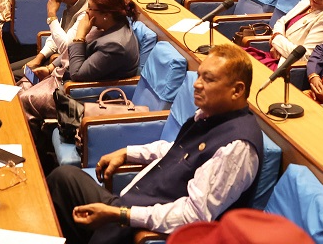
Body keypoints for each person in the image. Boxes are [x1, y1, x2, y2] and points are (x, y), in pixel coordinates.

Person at [47, 42, 262, 244]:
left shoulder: (237, 148)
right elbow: (178, 149)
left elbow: (193, 216)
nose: (196, 84)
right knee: (63, 179)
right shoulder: (209, 115)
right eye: (198, 76)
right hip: (129, 205)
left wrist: (121, 214)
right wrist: (127, 153)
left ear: (237, 90)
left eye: (209, 79)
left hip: (143, 228)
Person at [19, 0, 141, 120]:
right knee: (23, 84)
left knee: (24, 100)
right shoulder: (107, 25)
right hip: (65, 77)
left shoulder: (115, 46)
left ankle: (33, 133)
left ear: (106, 15)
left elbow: (78, 75)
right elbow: (77, 52)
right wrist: (50, 67)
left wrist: (80, 36)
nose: (87, 12)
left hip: (82, 95)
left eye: (90, 8)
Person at [13, 0, 88, 80]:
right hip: (55, 58)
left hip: (65, 67)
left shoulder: (88, 10)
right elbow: (57, 33)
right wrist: (39, 58)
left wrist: (52, 15)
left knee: (12, 76)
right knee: (9, 68)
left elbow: (67, 48)